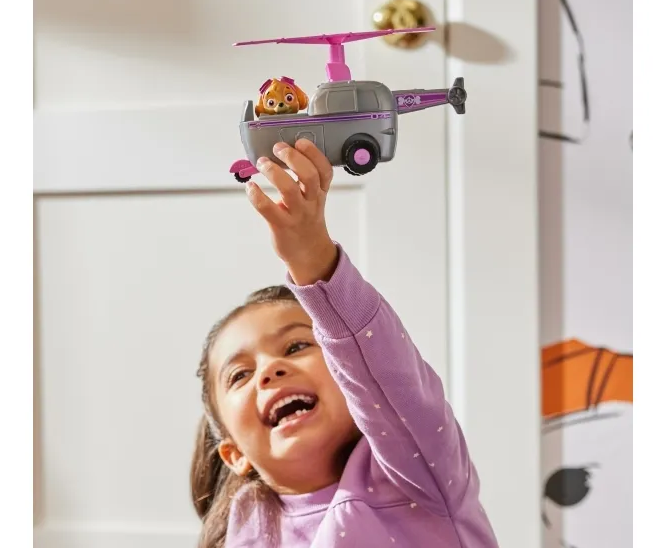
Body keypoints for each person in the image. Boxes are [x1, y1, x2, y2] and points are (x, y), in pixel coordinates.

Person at [190, 140, 499, 547]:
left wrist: (313, 258)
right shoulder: (247, 526)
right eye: (240, 375)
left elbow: (384, 373)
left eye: (296, 347)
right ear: (235, 455)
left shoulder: (419, 471)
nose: (270, 370)